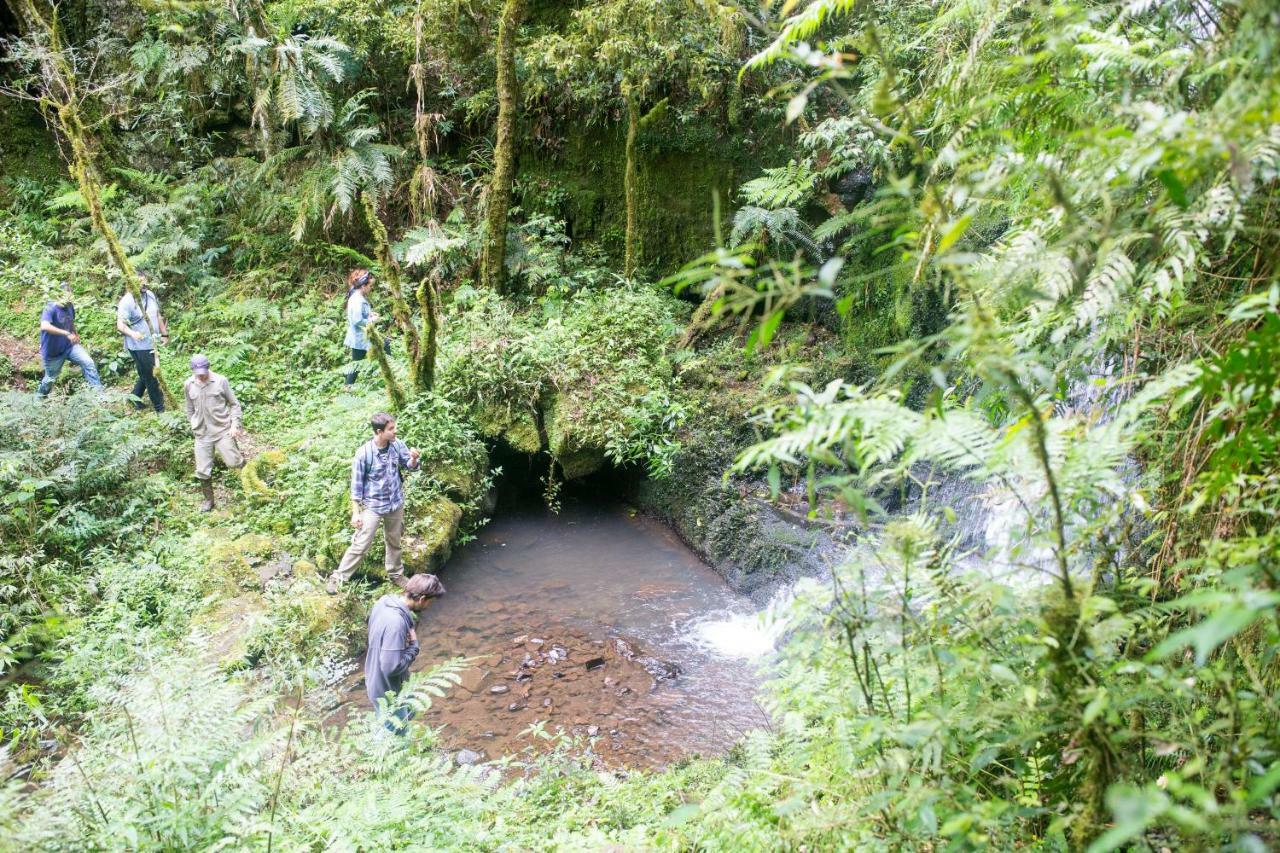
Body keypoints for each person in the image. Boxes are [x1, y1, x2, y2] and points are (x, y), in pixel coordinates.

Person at [327, 412, 422, 594]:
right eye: (391, 429)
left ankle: (396, 575)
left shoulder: (397, 445)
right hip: (373, 506)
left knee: (394, 541)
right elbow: (356, 487)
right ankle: (338, 578)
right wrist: (356, 513)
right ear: (379, 432)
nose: (396, 431)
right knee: (361, 543)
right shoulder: (364, 454)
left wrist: (414, 459)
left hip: (395, 503)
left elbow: (409, 466)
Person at [364, 572, 446, 733]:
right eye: (431, 602)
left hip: (373, 676)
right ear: (422, 599)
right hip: (387, 692)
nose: (429, 607)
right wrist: (414, 647)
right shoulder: (396, 623)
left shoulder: (383, 603)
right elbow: (391, 668)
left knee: (410, 712)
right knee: (393, 736)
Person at [182, 355, 245, 512]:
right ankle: (209, 501)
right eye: (198, 373)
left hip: (222, 430)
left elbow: (234, 404)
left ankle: (250, 484)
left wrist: (235, 425)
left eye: (203, 372)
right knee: (202, 471)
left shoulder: (220, 381)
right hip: (201, 434)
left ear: (208, 367)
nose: (201, 376)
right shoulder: (188, 385)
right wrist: (193, 423)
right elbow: (189, 408)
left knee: (234, 462)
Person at [37, 282, 102, 397]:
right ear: (59, 295)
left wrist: (75, 334)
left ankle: (99, 397)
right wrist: (66, 333)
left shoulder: (70, 305)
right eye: (67, 296)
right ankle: (38, 398)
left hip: (69, 346)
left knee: (88, 362)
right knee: (50, 379)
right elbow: (45, 326)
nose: (69, 299)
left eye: (71, 296)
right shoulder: (50, 307)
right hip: (53, 352)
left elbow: (70, 321)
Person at [116, 276, 168, 412]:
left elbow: (157, 315)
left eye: (144, 280)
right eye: (139, 282)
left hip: (153, 343)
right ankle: (160, 408)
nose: (143, 284)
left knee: (145, 373)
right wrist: (133, 334)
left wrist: (164, 334)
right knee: (151, 375)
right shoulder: (127, 301)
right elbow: (120, 325)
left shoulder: (150, 295)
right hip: (138, 346)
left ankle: (134, 397)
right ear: (131, 283)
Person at [343, 268, 379, 390]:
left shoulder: (356, 295)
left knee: (355, 365)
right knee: (356, 366)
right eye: (370, 286)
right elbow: (357, 320)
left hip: (360, 337)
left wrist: (369, 314)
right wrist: (371, 320)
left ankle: (347, 387)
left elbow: (360, 316)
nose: (371, 288)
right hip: (360, 338)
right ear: (363, 286)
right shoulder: (357, 300)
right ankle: (347, 388)